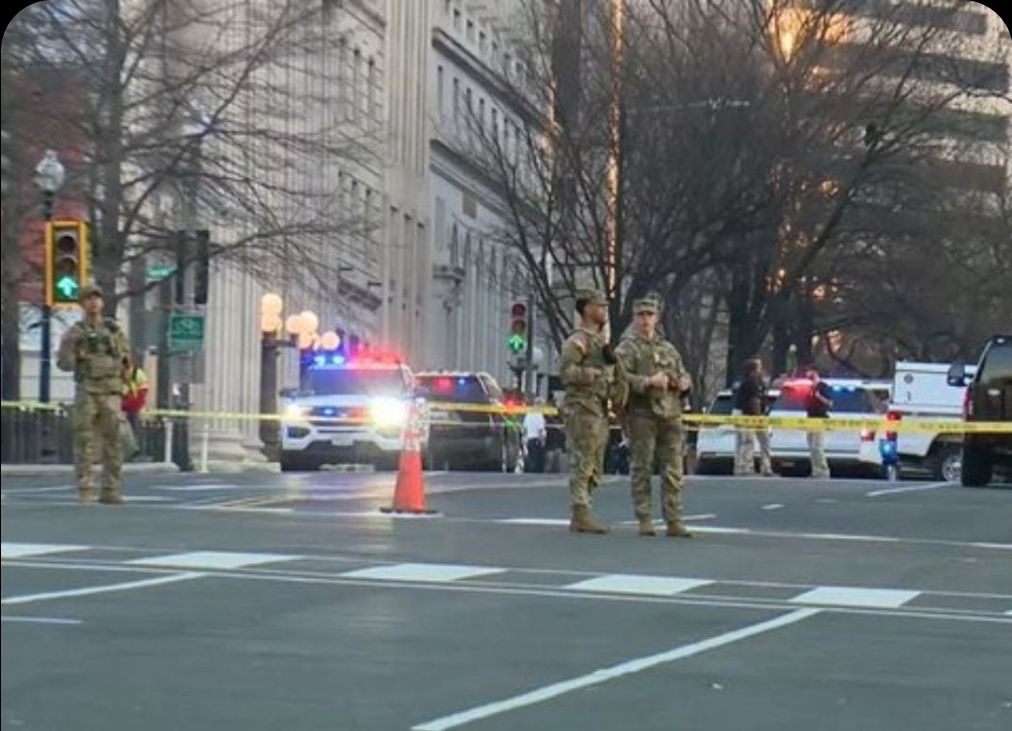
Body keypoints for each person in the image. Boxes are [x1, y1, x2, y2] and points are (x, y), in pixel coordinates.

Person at [615, 296, 694, 537]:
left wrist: (684, 383)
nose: (646, 320)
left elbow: (683, 374)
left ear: (657, 318)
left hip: (671, 413)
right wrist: (646, 382)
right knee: (642, 466)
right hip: (643, 414)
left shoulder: (668, 348)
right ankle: (644, 517)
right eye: (641, 315)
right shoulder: (627, 348)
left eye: (650, 315)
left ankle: (674, 519)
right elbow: (619, 378)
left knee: (673, 469)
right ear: (634, 318)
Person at [56, 284, 133, 504]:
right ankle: (85, 487)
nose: (94, 302)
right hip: (88, 390)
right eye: (89, 298)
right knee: (85, 440)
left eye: (97, 298)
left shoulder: (113, 330)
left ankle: (111, 489)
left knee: (114, 441)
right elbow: (63, 363)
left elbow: (126, 360)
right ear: (82, 303)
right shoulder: (75, 332)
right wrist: (76, 354)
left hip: (111, 391)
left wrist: (126, 375)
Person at [560, 289, 624, 534]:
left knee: (594, 461)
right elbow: (565, 372)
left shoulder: (598, 341)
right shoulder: (579, 341)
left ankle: (585, 506)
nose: (604, 311)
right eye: (599, 306)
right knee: (583, 460)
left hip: (598, 406)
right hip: (583, 406)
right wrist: (588, 375)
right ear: (586, 308)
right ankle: (580, 511)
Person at [733, 357, 774, 477]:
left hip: (756, 414)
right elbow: (754, 401)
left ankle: (765, 467)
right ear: (753, 369)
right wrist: (759, 417)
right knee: (747, 441)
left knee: (764, 442)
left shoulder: (759, 382)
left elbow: (762, 399)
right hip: (748, 415)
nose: (761, 368)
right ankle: (744, 467)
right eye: (759, 366)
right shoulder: (751, 382)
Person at [805, 366, 833, 479]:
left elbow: (830, 403)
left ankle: (823, 470)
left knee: (817, 446)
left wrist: (819, 396)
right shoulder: (810, 387)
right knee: (811, 446)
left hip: (820, 419)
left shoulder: (822, 386)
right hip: (810, 419)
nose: (807, 374)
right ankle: (815, 470)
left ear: (815, 372)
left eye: (809, 371)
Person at [121, 361, 149, 460]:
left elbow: (141, 395)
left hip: (133, 406)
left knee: (135, 426)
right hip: (123, 406)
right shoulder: (118, 375)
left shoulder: (138, 374)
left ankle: (137, 451)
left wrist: (126, 406)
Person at [522, 397, 547, 473]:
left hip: (529, 440)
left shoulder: (529, 414)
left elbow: (525, 428)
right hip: (537, 440)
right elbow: (540, 430)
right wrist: (542, 441)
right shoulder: (539, 415)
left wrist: (524, 439)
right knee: (537, 461)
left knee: (531, 458)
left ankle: (529, 474)